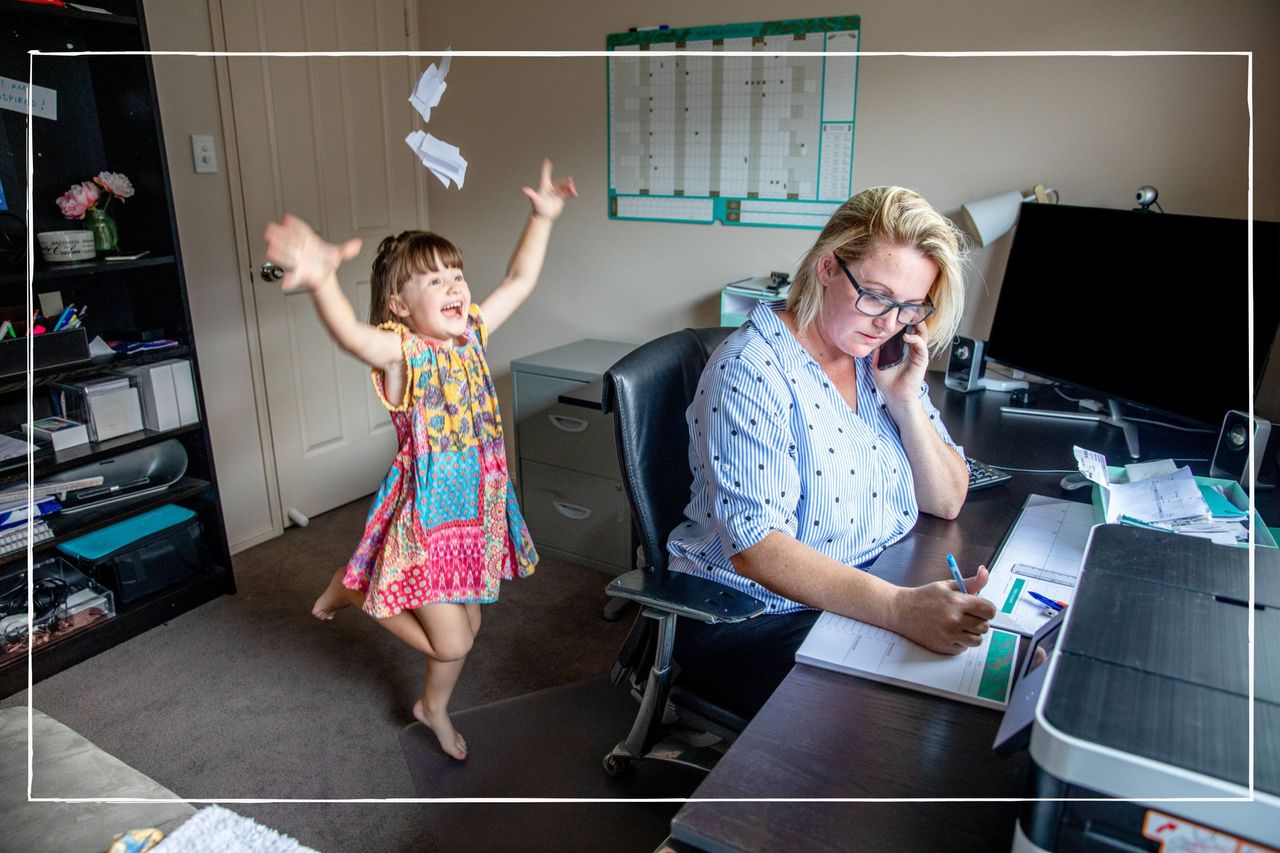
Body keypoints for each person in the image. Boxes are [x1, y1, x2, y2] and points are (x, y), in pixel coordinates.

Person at [262, 159, 577, 759]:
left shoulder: (473, 332)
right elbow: (352, 337)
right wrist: (324, 279)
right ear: (400, 306)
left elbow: (518, 279)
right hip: (428, 517)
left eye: (455, 274)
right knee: (453, 642)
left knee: (470, 626)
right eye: (433, 281)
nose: (455, 286)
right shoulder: (399, 353)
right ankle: (358, 593)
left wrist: (541, 217)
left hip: (475, 509)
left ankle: (430, 705)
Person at [666, 185, 996, 718]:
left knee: (972, 679)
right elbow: (757, 548)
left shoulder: (876, 359)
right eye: (876, 295)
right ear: (825, 269)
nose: (889, 322)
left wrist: (905, 400)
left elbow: (947, 498)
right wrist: (898, 607)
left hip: (862, 582)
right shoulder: (752, 369)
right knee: (918, 714)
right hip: (753, 616)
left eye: (911, 307)